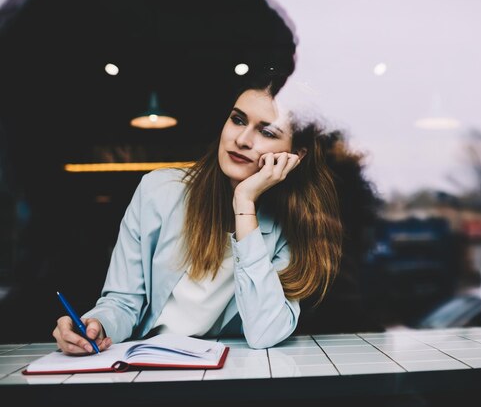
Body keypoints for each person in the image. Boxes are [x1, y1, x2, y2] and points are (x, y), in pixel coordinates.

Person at [52, 77, 343, 354]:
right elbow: (123, 301)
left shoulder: (295, 222)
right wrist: (96, 325)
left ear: (297, 154)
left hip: (233, 372)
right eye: (237, 119)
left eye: (267, 132)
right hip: (148, 363)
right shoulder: (159, 191)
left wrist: (244, 202)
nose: (242, 139)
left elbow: (265, 331)